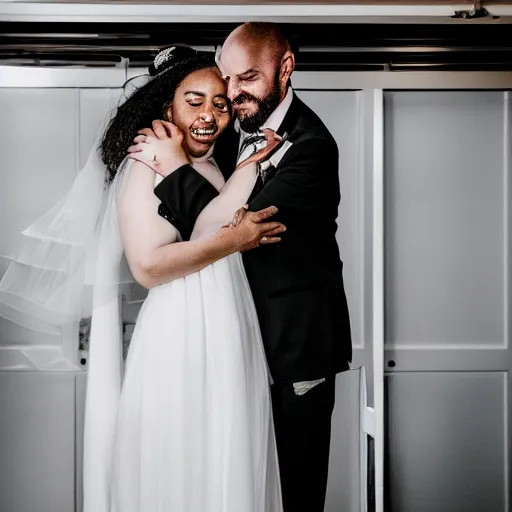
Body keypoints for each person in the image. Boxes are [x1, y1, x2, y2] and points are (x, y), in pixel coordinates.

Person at [0, 47, 286, 512]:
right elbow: (149, 267)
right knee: (183, 464)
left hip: (227, 329)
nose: (209, 115)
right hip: (183, 336)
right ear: (166, 107)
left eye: (220, 103)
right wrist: (238, 238)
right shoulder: (144, 165)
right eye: (194, 101)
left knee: (223, 460)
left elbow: (212, 220)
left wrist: (252, 163)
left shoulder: (204, 163)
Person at [131, 23, 353, 512]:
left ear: (285, 68)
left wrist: (172, 169)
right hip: (230, 343)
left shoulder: (311, 146)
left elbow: (234, 230)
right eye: (226, 80)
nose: (232, 95)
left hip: (293, 352)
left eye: (246, 79)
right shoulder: (234, 129)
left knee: (293, 486)